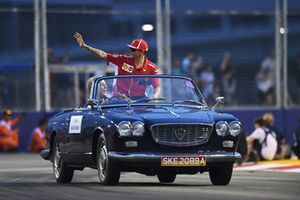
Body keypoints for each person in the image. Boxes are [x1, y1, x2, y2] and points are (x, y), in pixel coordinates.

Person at [74, 32, 160, 99]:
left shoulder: (151, 67)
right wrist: (85, 46)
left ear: (142, 52)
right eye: (130, 49)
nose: (131, 51)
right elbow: (103, 54)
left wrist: (155, 97)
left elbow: (157, 87)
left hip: (139, 101)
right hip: (119, 100)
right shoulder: (122, 60)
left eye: (133, 49)